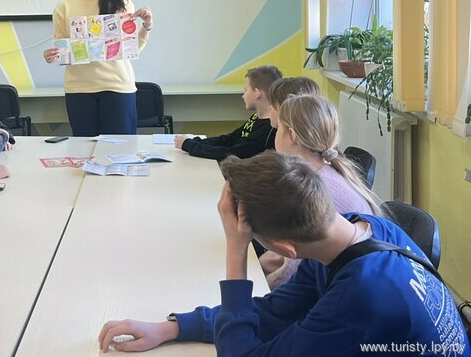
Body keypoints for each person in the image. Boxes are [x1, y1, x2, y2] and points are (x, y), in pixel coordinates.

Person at [98, 151, 470, 356]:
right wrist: (174, 327)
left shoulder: (360, 298)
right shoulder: (358, 230)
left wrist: (236, 249)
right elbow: (275, 312)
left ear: (287, 249)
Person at [258, 93, 383, 287]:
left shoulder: (310, 191)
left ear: (291, 135)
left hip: (341, 285)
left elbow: (292, 276)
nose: (275, 133)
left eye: (278, 128)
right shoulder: (326, 169)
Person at [43, 0, 153, 136]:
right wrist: (51, 55)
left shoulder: (123, 3)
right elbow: (62, 49)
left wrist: (147, 26)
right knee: (84, 149)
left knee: (120, 149)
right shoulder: (64, 7)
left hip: (117, 87)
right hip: (79, 89)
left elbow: (132, 48)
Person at [175, 65, 281, 160]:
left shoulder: (268, 130)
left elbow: (231, 153)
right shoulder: (256, 117)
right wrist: (195, 141)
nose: (243, 95)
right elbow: (229, 139)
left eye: (246, 90)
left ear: (257, 93)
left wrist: (190, 145)